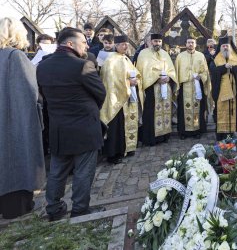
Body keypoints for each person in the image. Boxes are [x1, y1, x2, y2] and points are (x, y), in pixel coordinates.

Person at [37, 27, 106, 220]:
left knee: (58, 170)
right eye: (83, 42)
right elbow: (100, 93)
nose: (86, 46)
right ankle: (80, 209)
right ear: (70, 44)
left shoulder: (42, 67)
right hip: (85, 126)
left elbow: (44, 95)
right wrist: (89, 109)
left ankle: (53, 208)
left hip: (59, 127)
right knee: (84, 170)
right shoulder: (82, 65)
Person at [0, 17, 45, 219]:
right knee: (16, 160)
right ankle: (17, 207)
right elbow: (30, 91)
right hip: (14, 120)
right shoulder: (16, 57)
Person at [100, 35, 143, 163]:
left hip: (128, 97)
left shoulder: (126, 58)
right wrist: (129, 82)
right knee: (116, 126)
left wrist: (136, 80)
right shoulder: (110, 60)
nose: (125, 46)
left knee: (126, 124)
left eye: (127, 44)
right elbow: (110, 80)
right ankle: (114, 154)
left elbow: (136, 73)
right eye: (122, 44)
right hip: (116, 99)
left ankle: (128, 148)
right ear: (116, 45)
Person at [136, 34, 177, 145]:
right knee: (151, 113)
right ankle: (151, 138)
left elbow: (171, 69)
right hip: (151, 89)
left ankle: (164, 136)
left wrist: (169, 77)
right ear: (151, 42)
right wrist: (156, 79)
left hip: (165, 88)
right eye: (155, 41)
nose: (157, 43)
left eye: (159, 41)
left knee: (165, 111)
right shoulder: (143, 54)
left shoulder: (165, 54)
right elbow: (142, 72)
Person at [210, 36, 237, 140]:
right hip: (221, 90)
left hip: (234, 90)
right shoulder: (216, 59)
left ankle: (235, 132)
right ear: (220, 47)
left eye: (227, 45)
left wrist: (234, 68)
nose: (225, 47)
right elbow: (213, 72)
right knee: (221, 111)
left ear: (230, 47)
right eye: (223, 46)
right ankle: (222, 134)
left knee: (235, 111)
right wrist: (223, 68)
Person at [175, 37, 211, 139]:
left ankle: (197, 131)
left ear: (195, 44)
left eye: (192, 42)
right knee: (183, 109)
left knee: (197, 108)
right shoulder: (180, 57)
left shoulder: (201, 56)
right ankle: (183, 132)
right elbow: (177, 72)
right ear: (185, 44)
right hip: (184, 86)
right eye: (188, 42)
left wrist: (201, 76)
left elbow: (205, 71)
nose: (190, 44)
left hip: (197, 86)